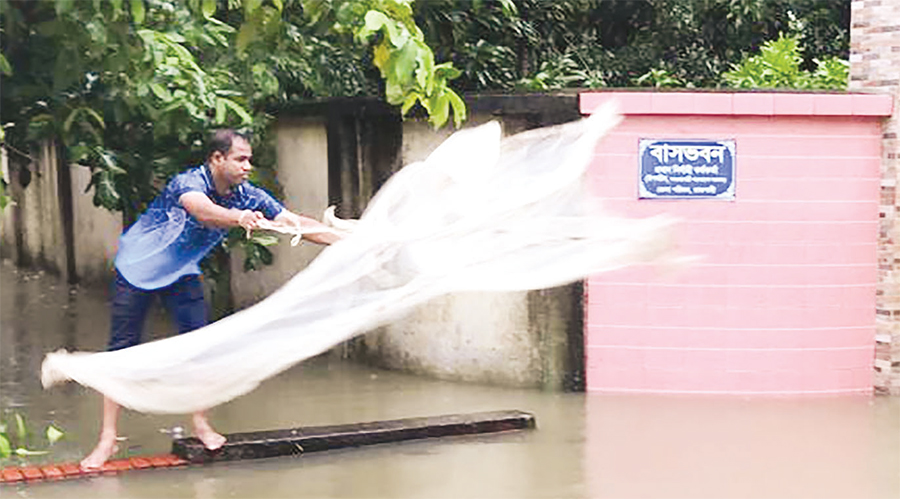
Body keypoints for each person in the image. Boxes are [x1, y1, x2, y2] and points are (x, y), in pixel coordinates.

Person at [80, 129, 340, 470]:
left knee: (199, 347)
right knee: (121, 353)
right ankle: (108, 439)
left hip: (181, 272)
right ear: (217, 159)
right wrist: (239, 218)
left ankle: (201, 424)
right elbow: (201, 211)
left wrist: (345, 240)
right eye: (240, 159)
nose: (248, 166)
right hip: (135, 270)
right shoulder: (188, 182)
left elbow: (296, 223)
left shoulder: (249, 195)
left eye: (249, 159)